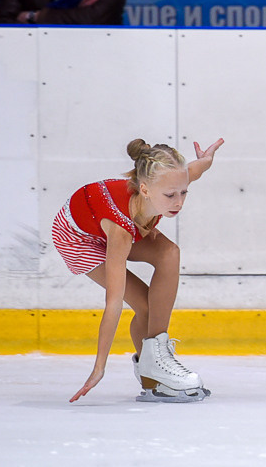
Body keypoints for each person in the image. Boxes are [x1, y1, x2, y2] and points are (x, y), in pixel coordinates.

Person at [53, 136, 224, 403]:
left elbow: (194, 172)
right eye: (170, 196)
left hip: (118, 221)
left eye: (183, 192)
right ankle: (153, 371)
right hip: (79, 239)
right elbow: (113, 304)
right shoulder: (120, 231)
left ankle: (157, 363)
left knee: (170, 253)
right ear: (145, 190)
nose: (178, 202)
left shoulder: (170, 180)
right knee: (144, 305)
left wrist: (206, 161)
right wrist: (100, 367)